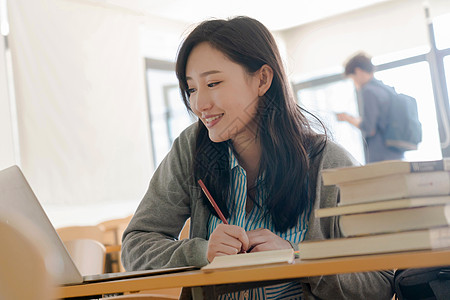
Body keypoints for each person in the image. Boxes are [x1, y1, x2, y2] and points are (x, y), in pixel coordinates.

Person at [121, 17, 394, 299]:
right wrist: (202, 252)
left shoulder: (328, 162)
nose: (199, 104)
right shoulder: (190, 149)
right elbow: (135, 247)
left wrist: (300, 260)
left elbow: (381, 280)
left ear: (262, 79)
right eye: (191, 89)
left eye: (213, 83)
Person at [337, 52, 404, 163]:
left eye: (353, 78)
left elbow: (370, 128)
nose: (354, 82)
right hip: (395, 152)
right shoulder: (384, 89)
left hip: (381, 155)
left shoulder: (368, 91)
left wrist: (348, 119)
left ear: (358, 72)